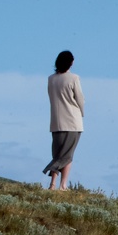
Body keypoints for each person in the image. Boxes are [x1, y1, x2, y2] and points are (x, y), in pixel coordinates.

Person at [44, 50, 84, 189]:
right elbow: (79, 98)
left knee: (58, 154)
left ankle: (53, 184)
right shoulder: (74, 78)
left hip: (56, 121)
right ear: (71, 63)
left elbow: (51, 96)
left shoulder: (51, 79)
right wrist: (82, 113)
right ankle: (63, 185)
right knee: (67, 155)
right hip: (72, 121)